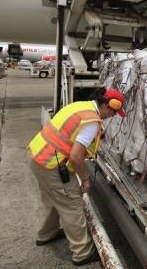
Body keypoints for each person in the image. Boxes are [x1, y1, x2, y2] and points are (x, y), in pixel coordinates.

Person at [27, 89, 126, 266]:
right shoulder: (92, 122)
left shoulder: (80, 107)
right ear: (106, 105)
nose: (113, 116)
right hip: (53, 166)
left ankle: (46, 234)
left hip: (39, 158)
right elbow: (76, 156)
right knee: (72, 206)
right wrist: (86, 178)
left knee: (53, 200)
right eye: (113, 112)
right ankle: (82, 253)